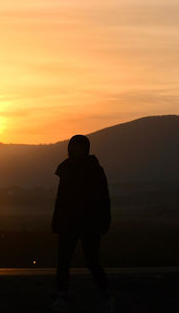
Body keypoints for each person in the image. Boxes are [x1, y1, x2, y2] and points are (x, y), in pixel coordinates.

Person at [50, 134, 112, 312]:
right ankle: (62, 296)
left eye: (78, 146)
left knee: (92, 261)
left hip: (90, 223)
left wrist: (104, 221)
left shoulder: (94, 169)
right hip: (68, 222)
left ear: (85, 148)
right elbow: (60, 199)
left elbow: (103, 198)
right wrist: (56, 221)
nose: (74, 149)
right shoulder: (66, 168)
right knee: (63, 261)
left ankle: (106, 296)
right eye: (72, 146)